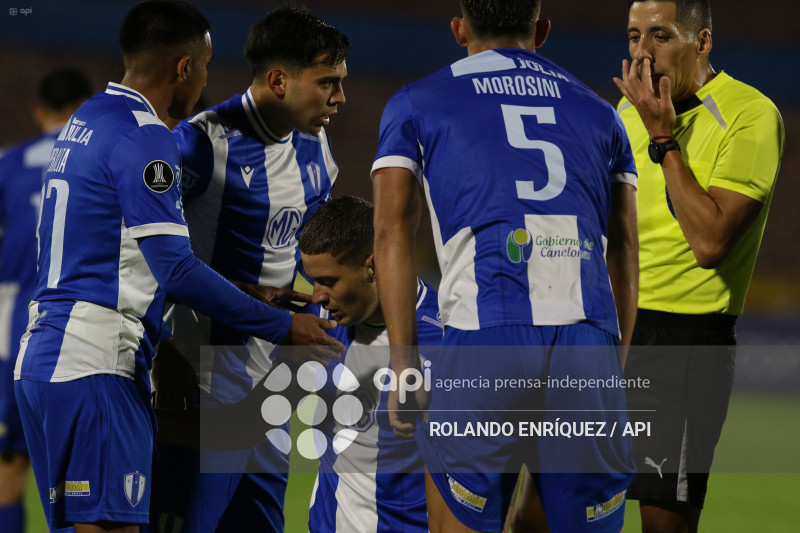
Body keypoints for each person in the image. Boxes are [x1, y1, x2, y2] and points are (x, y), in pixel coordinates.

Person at [12, 2, 332, 532]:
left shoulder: (88, 120)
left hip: (46, 360)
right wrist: (282, 326)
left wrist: (248, 290)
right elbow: (175, 269)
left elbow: (123, 255)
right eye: (205, 64)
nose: (206, 77)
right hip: (98, 367)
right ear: (185, 67)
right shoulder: (148, 136)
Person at [372, 1, 639, 532]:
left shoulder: (416, 102)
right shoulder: (600, 112)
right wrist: (616, 363)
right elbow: (625, 247)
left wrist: (404, 359)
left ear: (459, 28)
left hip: (484, 336)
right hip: (587, 341)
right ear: (540, 30)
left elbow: (391, 229)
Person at [149, 6, 350, 532]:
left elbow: (306, 252)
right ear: (280, 80)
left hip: (272, 383)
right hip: (200, 379)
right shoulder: (199, 144)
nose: (340, 98)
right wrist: (164, 348)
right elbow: (139, 252)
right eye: (328, 82)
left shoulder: (315, 148)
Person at [612, 1, 784, 532]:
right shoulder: (625, 115)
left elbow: (710, 242)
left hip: (682, 345)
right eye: (635, 35)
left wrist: (663, 139)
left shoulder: (750, 115)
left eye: (660, 36)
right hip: (608, 329)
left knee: (664, 524)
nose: (643, 53)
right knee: (541, 510)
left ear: (701, 43)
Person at [297, 196, 441, 533]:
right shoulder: (316, 323)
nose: (317, 296)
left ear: (373, 265)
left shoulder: (446, 340)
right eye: (312, 280)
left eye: (329, 282)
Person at [0, 66, 92, 533]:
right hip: (80, 331)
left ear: (39, 111)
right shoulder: (98, 157)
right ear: (86, 107)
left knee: (8, 468)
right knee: (82, 479)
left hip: (12, 332)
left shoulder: (8, 165)